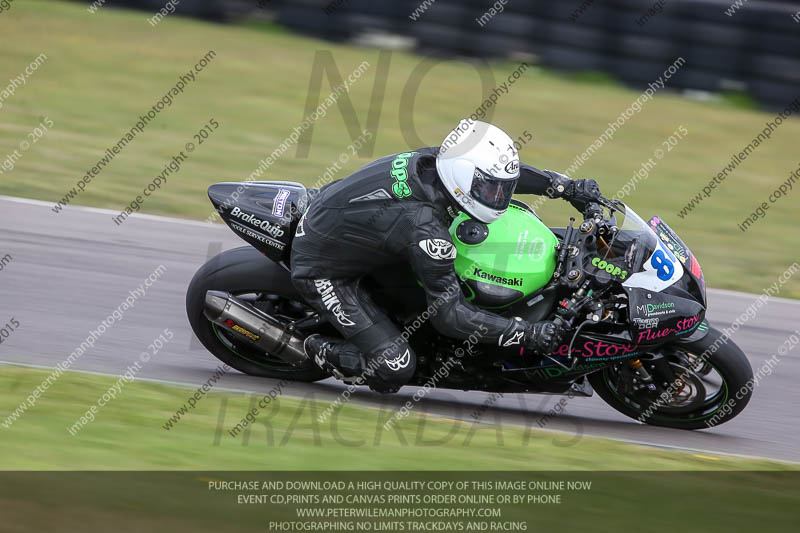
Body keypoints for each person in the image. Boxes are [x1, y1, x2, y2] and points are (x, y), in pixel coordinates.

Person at [290, 119, 602, 393]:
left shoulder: (440, 160)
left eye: (502, 189)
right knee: (394, 367)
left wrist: (564, 187)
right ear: (463, 179)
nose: (501, 198)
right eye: (493, 190)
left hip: (344, 220)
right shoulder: (426, 231)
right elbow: (448, 315)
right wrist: (526, 333)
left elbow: (502, 176)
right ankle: (307, 348)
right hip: (323, 267)